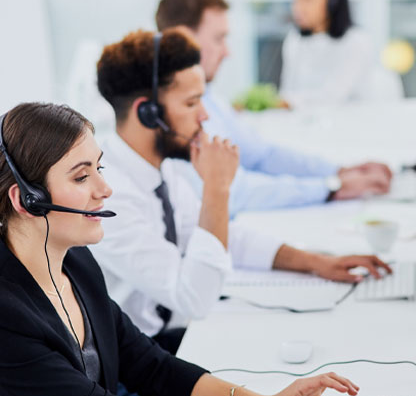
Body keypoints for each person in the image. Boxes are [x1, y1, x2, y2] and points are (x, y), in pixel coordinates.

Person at [0, 102, 380, 396]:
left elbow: (149, 366)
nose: (104, 189)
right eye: (81, 176)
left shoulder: (75, 262)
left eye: (99, 168)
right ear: (27, 200)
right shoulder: (7, 313)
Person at [94, 26, 389, 351]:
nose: (204, 116)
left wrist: (316, 263)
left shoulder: (164, 167)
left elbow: (222, 237)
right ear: (148, 114)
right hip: (138, 366)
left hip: (175, 340)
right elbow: (193, 298)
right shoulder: (108, 196)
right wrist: (217, 188)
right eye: (192, 103)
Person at [155, 0, 392, 217]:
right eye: (219, 39)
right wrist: (330, 187)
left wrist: (338, 171)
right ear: (183, 39)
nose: (227, 52)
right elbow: (234, 191)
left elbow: (261, 154)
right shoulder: (172, 114)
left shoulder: (210, 97)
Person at [280, 0, 389, 105]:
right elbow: (286, 91)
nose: (298, 7)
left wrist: (286, 103)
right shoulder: (295, 40)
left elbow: (331, 97)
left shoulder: (356, 41)